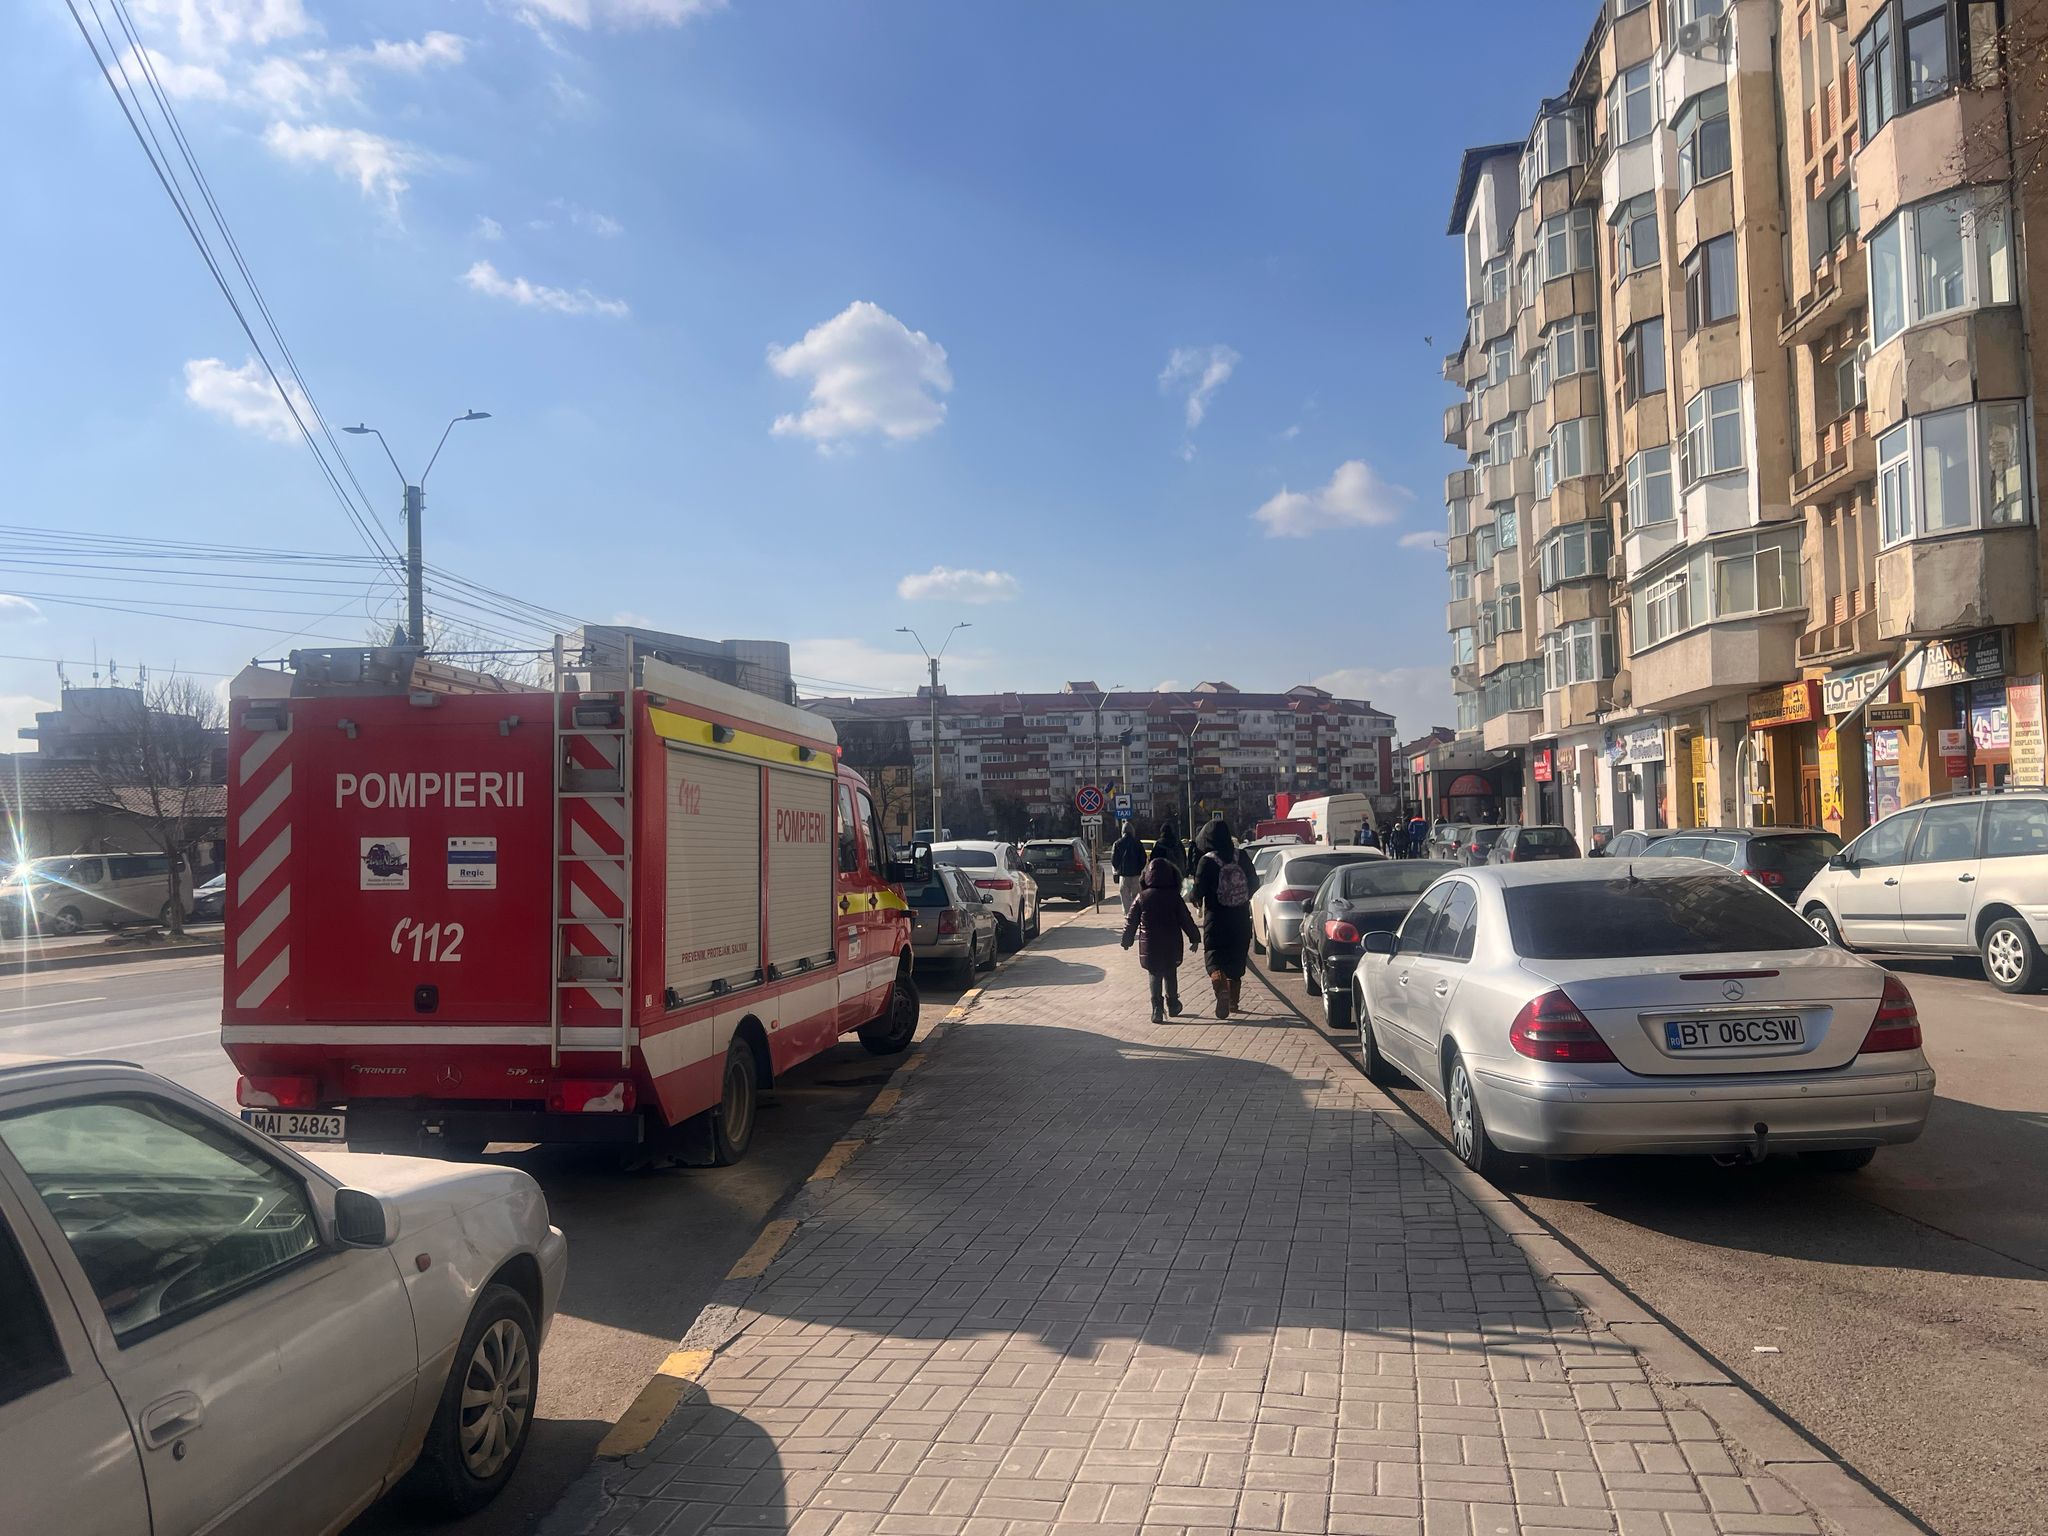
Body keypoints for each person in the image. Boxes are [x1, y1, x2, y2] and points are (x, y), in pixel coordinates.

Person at [1188, 816, 1256, 1018]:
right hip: (1241, 918)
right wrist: (1242, 898)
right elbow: (1254, 883)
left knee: (1214, 958)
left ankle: (1221, 988)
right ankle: (1234, 1002)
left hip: (1216, 919)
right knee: (1237, 959)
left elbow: (1197, 891)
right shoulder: (1241, 856)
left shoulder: (1207, 861)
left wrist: (1194, 898)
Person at [1121, 857, 1201, 1022]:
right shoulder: (1174, 897)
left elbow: (1131, 920)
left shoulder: (1142, 897)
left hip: (1150, 945)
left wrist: (1127, 940)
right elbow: (1186, 919)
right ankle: (1173, 1004)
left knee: (1154, 973)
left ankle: (1157, 1008)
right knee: (1170, 973)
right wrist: (1194, 937)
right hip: (1172, 943)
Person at [1110, 823, 1148, 913]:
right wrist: (1139, 869)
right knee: (1136, 896)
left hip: (1124, 875)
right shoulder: (1138, 843)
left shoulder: (1117, 843)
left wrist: (1119, 869)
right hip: (1136, 875)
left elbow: (1114, 860)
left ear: (1122, 832)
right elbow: (1143, 858)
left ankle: (1127, 914)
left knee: (1125, 897)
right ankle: (1136, 913)